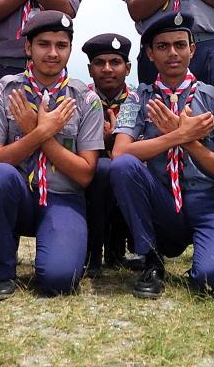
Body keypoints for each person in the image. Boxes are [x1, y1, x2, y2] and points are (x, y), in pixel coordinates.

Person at [111, 13, 214, 299]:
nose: (172, 53)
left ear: (192, 49)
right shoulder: (138, 99)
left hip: (209, 200)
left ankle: (213, 253)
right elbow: (120, 152)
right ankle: (151, 259)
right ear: (150, 54)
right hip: (163, 201)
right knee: (122, 167)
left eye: (180, 45)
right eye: (162, 46)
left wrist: (191, 143)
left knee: (212, 281)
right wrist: (177, 136)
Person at [0, 11, 103, 300]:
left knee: (59, 281)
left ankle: (60, 252)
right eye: (44, 44)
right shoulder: (3, 93)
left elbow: (85, 173)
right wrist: (38, 133)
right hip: (18, 195)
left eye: (61, 45)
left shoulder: (85, 100)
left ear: (70, 49)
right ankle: (3, 270)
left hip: (62, 197)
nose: (52, 52)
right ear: (28, 48)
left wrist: (38, 132)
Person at [81, 33, 140, 277]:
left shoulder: (138, 101)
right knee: (102, 169)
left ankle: (121, 248)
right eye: (99, 63)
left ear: (127, 68)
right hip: (86, 178)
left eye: (115, 62)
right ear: (90, 69)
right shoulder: (80, 99)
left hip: (126, 176)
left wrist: (118, 142)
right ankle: (92, 251)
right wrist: (100, 142)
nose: (107, 69)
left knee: (124, 169)